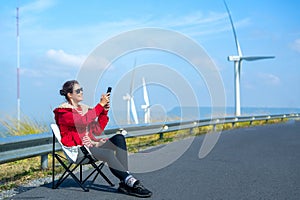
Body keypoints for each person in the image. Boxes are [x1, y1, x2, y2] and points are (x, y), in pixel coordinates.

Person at [53, 80, 152, 198]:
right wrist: (100, 105)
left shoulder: (84, 109)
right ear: (70, 95)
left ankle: (124, 182)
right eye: (78, 90)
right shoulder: (63, 113)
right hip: (79, 151)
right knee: (108, 153)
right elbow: (82, 121)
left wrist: (104, 111)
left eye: (82, 89)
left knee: (119, 138)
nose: (81, 92)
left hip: (91, 146)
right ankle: (130, 181)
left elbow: (97, 130)